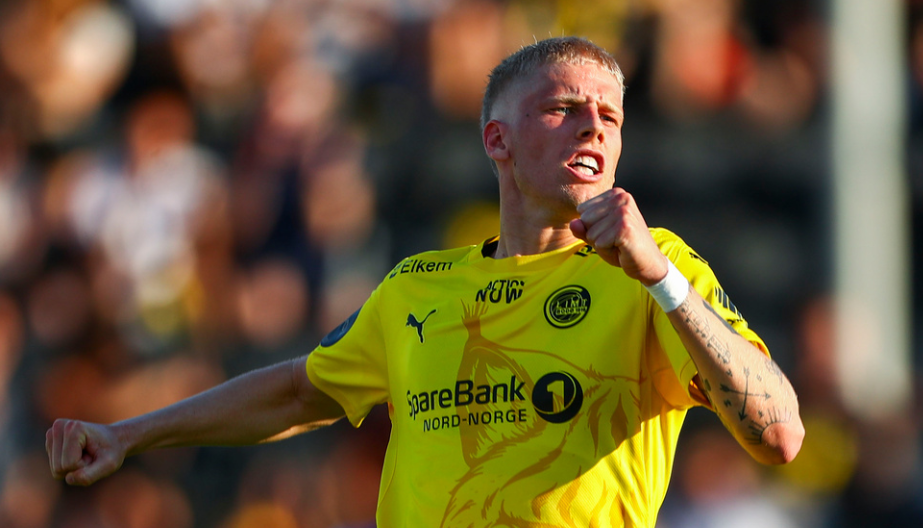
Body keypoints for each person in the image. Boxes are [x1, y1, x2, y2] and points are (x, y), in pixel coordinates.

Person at [46, 37, 804, 527]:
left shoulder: (657, 267)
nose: (594, 129)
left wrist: (662, 281)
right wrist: (126, 434)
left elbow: (777, 435)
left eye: (609, 116)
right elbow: (296, 391)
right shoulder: (418, 286)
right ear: (496, 140)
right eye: (563, 109)